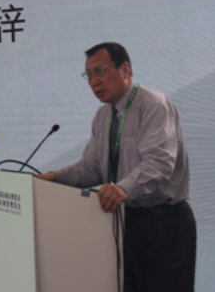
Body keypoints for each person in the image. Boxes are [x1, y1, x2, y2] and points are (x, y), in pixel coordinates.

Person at [36, 42, 196, 292]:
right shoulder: (103, 116)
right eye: (88, 75)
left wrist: (122, 188)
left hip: (162, 223)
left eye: (100, 71)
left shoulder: (153, 105)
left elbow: (160, 162)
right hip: (123, 223)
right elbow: (92, 168)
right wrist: (53, 177)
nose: (94, 81)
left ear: (125, 69)